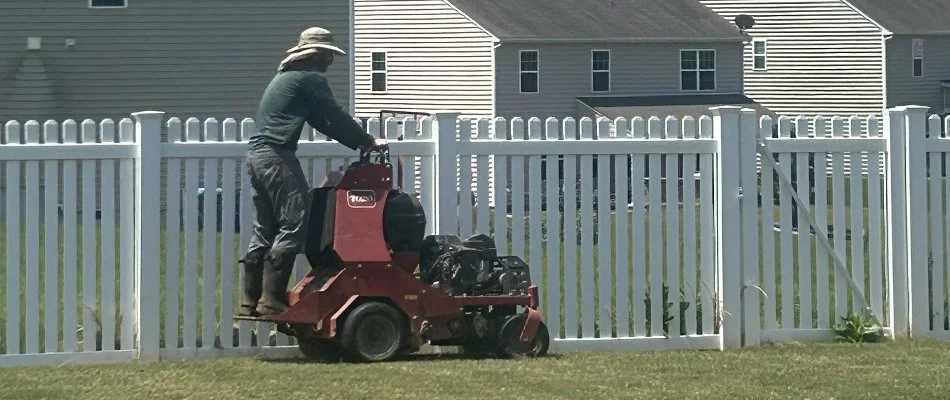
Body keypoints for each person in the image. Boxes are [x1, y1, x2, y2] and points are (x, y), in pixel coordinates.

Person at [239, 27, 386, 317]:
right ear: (315, 55)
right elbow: (334, 115)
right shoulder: (310, 78)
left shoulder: (287, 77)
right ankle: (271, 300)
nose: (330, 62)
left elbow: (321, 121)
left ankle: (249, 299)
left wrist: (356, 144)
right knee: (294, 219)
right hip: (276, 153)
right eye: (328, 55)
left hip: (257, 155)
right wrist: (368, 142)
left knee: (265, 227)